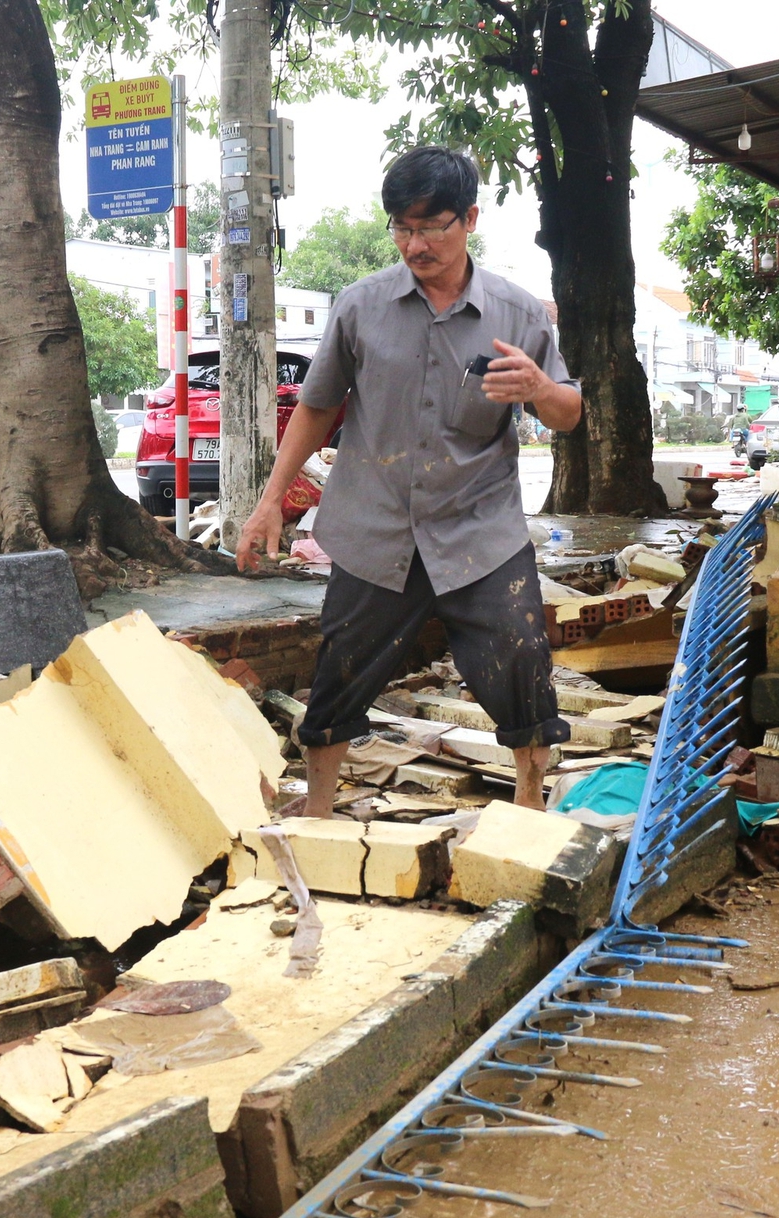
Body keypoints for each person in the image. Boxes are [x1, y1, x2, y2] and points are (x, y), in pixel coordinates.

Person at [235, 146, 586, 815]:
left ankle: (530, 800)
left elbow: (567, 413)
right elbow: (317, 405)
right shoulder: (361, 306)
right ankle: (319, 810)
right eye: (401, 226)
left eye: (433, 226)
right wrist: (269, 502)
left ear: (471, 219)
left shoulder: (517, 313)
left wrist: (540, 388)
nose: (415, 244)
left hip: (479, 527)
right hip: (377, 525)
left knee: (521, 660)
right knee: (340, 667)